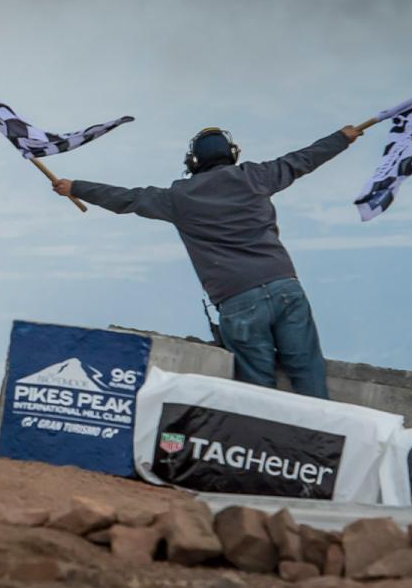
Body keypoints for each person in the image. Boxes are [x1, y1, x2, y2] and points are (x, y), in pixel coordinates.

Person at [50, 125, 364, 398]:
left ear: (193, 161)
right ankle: (325, 452)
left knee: (258, 390)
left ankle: (266, 455)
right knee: (308, 372)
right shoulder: (256, 176)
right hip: (285, 287)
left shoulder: (178, 197)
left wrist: (75, 187)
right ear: (232, 154)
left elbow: (126, 199)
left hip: (238, 300)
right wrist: (341, 138)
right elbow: (302, 160)